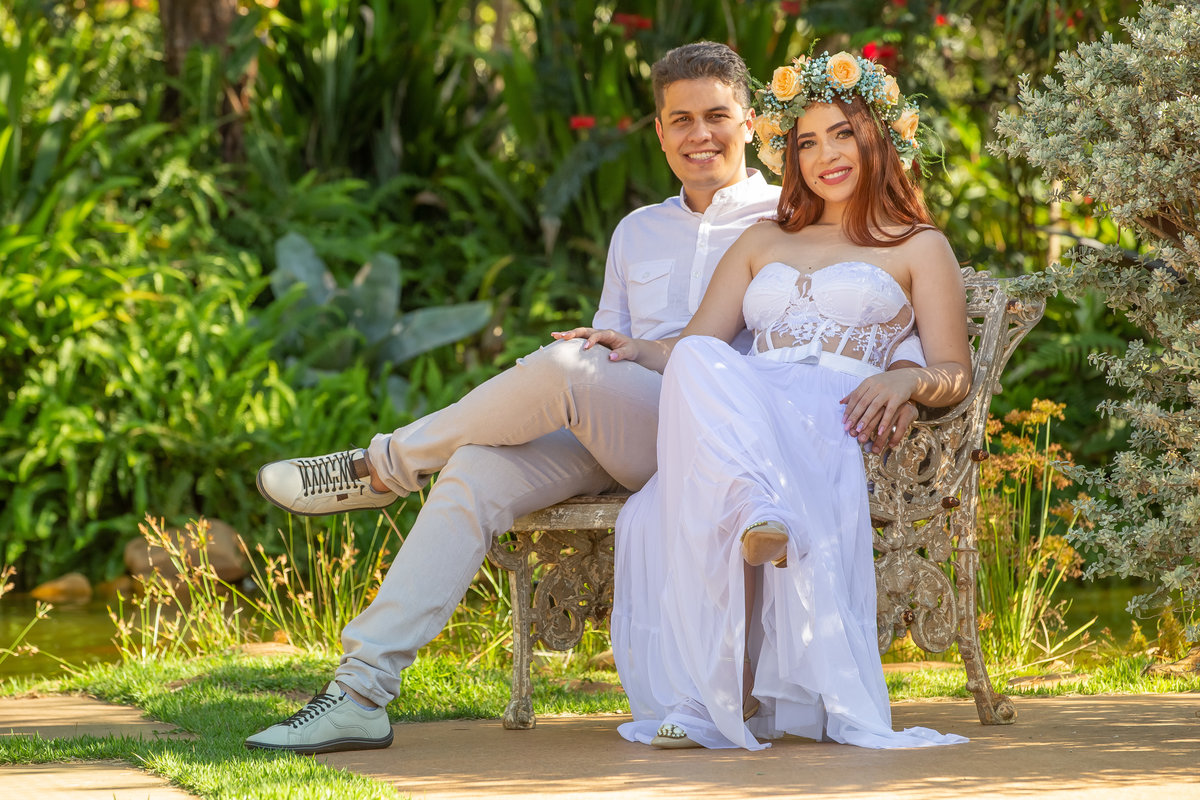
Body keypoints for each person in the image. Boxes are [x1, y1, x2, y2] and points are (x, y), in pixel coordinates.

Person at [246, 42, 928, 755]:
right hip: (621, 427)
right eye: (681, 120)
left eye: (718, 116)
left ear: (752, 122)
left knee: (568, 369)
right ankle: (359, 691)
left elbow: (873, 311)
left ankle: (382, 465)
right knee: (475, 470)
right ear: (658, 131)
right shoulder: (636, 231)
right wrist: (595, 353)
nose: (701, 135)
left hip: (729, 441)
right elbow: (614, 342)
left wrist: (908, 374)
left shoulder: (789, 216)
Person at [551, 51, 971, 750]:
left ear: (878, 138)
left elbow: (953, 369)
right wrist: (622, 345)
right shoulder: (763, 238)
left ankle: (715, 689)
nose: (824, 155)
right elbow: (689, 349)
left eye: (841, 134)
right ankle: (718, 671)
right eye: (806, 142)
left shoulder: (918, 245)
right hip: (750, 407)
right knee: (695, 378)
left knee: (685, 486)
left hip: (831, 417)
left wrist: (907, 379)